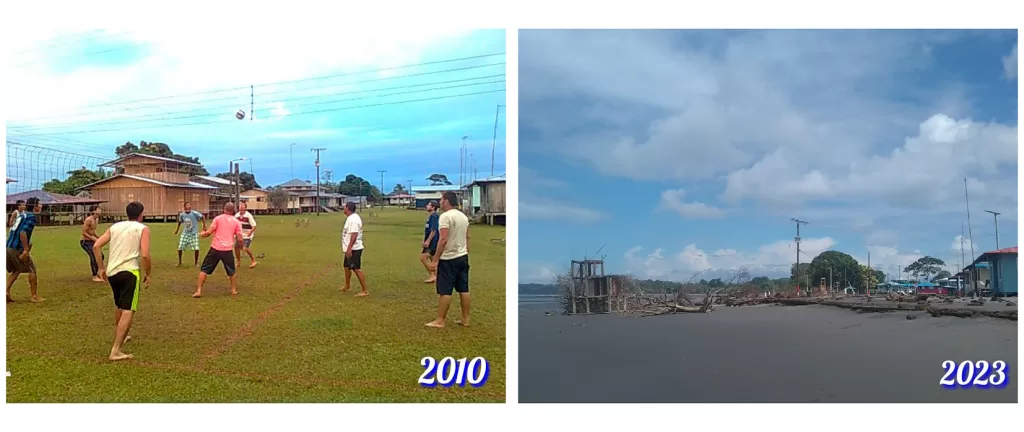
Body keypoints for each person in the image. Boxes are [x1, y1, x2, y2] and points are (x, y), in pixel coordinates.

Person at [92, 201, 151, 361]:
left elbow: (96, 246)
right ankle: (115, 350)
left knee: (119, 305)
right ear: (141, 214)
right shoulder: (143, 228)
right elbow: (145, 254)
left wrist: (101, 268)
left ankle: (122, 336)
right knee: (128, 310)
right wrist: (148, 274)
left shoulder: (115, 227)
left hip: (112, 272)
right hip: (129, 272)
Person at [426, 192, 471, 328]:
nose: (439, 202)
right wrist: (465, 252)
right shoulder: (463, 216)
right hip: (462, 256)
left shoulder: (445, 217)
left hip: (449, 258)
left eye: (441, 199)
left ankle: (440, 320)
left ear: (446, 201)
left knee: (445, 290)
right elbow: (468, 237)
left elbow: (443, 239)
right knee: (464, 289)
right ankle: (465, 319)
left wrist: (436, 259)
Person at [194, 202, 243, 298]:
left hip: (215, 248)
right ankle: (233, 290)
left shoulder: (217, 219)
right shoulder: (236, 222)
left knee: (204, 269)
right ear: (233, 211)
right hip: (227, 250)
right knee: (231, 271)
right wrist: (241, 246)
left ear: (224, 209)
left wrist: (202, 234)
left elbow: (208, 233)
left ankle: (199, 291)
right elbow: (240, 238)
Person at [6, 197, 43, 303]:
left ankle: (6, 292)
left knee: (17, 269)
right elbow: (22, 233)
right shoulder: (31, 217)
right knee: (32, 270)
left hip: (8, 246)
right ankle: (34, 296)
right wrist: (26, 250)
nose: (41, 206)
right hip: (17, 248)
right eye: (40, 204)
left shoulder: (22, 215)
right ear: (35, 206)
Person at [340, 202, 368, 297]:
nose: (343, 208)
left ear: (347, 208)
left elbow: (354, 234)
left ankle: (365, 290)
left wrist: (349, 248)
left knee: (356, 269)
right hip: (350, 248)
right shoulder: (350, 218)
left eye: (344, 207)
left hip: (354, 248)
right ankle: (347, 285)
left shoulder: (353, 220)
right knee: (346, 267)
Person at [174, 202, 205, 267]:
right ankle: (179, 262)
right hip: (185, 233)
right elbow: (180, 222)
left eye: (189, 206)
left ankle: (196, 263)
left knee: (196, 248)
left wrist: (204, 227)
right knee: (180, 247)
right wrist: (177, 230)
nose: (188, 207)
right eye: (187, 206)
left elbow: (203, 217)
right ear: (184, 207)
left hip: (194, 233)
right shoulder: (182, 215)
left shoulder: (194, 213)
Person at [80, 205, 104, 282]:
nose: (100, 210)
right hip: (85, 242)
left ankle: (97, 272)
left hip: (91, 241)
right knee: (93, 256)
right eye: (98, 209)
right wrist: (93, 239)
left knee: (101, 256)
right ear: (94, 211)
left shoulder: (96, 219)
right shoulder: (88, 220)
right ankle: (94, 276)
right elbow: (84, 233)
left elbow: (92, 231)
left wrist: (99, 238)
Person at [419, 201, 440, 283]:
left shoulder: (434, 216)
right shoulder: (430, 216)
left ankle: (432, 275)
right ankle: (437, 276)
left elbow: (433, 230)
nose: (426, 206)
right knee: (433, 259)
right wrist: (424, 240)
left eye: (429, 205)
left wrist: (428, 241)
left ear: (433, 207)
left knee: (423, 257)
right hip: (430, 240)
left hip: (433, 242)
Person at [234, 202, 258, 269]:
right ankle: (238, 261)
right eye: (240, 205)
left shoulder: (248, 215)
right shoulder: (236, 216)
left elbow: (254, 225)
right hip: (239, 235)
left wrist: (250, 232)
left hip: (247, 235)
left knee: (245, 248)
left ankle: (253, 260)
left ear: (245, 208)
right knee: (236, 248)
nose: (241, 206)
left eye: (243, 205)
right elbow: (234, 225)